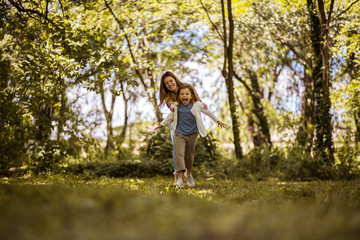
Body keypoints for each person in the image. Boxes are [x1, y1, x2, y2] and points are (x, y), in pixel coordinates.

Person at [155, 84, 226, 188]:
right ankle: (179, 179)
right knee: (179, 154)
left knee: (189, 155)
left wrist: (217, 120)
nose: (184, 96)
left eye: (187, 94)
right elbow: (170, 117)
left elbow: (208, 112)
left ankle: (188, 174)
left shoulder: (197, 105)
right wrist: (161, 124)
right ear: (179, 96)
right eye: (182, 94)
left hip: (192, 134)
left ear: (191, 96)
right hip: (179, 133)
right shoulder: (176, 106)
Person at [157, 71, 207, 185]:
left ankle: (187, 174)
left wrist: (202, 105)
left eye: (171, 81)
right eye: (166, 83)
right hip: (176, 125)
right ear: (165, 86)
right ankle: (177, 178)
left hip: (190, 124)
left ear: (175, 79)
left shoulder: (187, 87)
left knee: (188, 152)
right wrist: (171, 106)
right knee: (177, 150)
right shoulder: (168, 96)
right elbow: (170, 104)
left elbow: (198, 101)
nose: (170, 84)